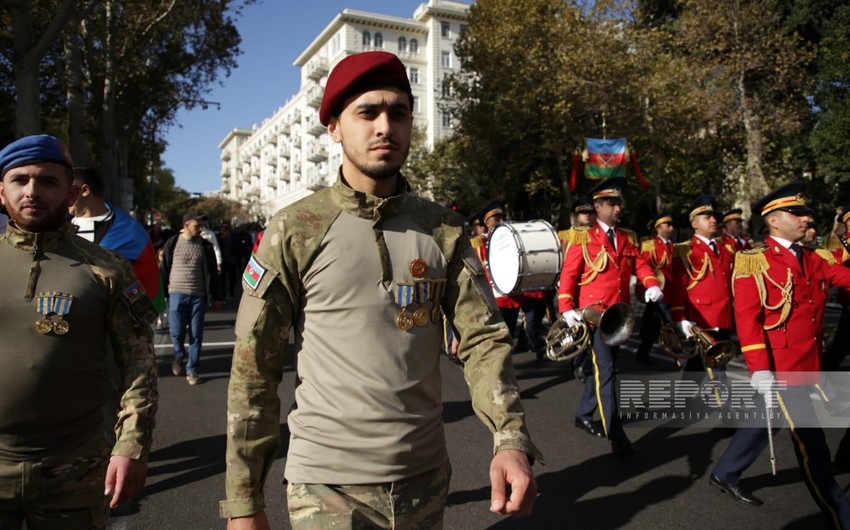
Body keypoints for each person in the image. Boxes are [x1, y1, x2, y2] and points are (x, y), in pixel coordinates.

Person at [221, 51, 540, 530]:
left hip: (425, 478)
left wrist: (510, 439)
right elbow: (254, 367)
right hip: (325, 486)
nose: (384, 126)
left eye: (398, 112)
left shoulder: (444, 229)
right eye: (367, 113)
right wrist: (244, 503)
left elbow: (484, 340)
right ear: (334, 127)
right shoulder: (295, 229)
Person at [0, 134, 158, 528]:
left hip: (75, 465)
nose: (32, 191)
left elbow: (138, 362)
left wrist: (132, 445)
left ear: (70, 193)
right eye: (20, 180)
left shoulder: (107, 268)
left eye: (48, 181)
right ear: (1, 192)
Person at [710, 182, 850, 529]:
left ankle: (726, 471)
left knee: (763, 419)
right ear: (773, 220)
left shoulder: (815, 257)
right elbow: (748, 320)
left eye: (806, 213)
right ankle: (841, 516)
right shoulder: (753, 260)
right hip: (780, 368)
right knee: (813, 449)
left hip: (808, 365)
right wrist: (759, 370)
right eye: (797, 213)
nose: (806, 218)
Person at [557, 176, 663, 456]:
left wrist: (650, 283)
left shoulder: (627, 237)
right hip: (595, 316)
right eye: (611, 204)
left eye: (619, 203)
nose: (618, 209)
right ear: (598, 206)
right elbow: (570, 273)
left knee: (605, 368)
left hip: (620, 316)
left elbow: (639, 262)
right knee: (605, 371)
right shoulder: (583, 236)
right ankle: (615, 433)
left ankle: (584, 412)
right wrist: (566, 307)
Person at [70, 166, 165, 313]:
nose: (62, 199)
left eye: (69, 193)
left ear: (84, 191)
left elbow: (147, 281)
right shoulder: (57, 225)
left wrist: (125, 310)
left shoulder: (131, 232)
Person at [669, 196, 734, 392]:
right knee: (717, 366)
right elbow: (678, 288)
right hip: (701, 318)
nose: (713, 220)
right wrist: (680, 318)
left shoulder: (726, 249)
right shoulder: (685, 250)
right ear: (694, 223)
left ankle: (683, 399)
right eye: (707, 217)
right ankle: (726, 408)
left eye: (714, 216)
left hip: (723, 316)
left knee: (698, 366)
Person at [160, 211, 224, 385]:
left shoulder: (206, 246)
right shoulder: (172, 244)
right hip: (176, 294)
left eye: (202, 226)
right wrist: (161, 294)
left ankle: (192, 370)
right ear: (186, 225)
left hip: (198, 296)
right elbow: (164, 269)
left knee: (196, 334)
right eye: (197, 225)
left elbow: (213, 274)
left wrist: (217, 297)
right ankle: (179, 355)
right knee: (177, 331)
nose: (200, 229)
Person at [634, 212, 676, 364]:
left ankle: (643, 352)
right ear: (658, 228)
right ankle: (680, 357)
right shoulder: (649, 245)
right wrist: (643, 289)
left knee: (653, 325)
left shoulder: (674, 245)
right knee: (669, 323)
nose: (671, 228)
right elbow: (642, 267)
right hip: (658, 290)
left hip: (672, 292)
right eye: (667, 225)